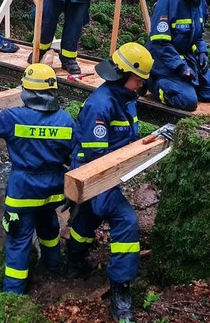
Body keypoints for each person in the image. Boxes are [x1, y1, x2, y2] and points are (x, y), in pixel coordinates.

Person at [0, 63, 76, 294]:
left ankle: (11, 296)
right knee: (49, 228)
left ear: (26, 92)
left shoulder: (13, 117)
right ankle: (53, 268)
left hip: (22, 193)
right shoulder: (66, 120)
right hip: (52, 192)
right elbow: (73, 155)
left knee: (18, 242)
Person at [67, 42, 153, 322]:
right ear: (122, 74)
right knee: (125, 220)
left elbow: (124, 139)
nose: (140, 85)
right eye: (138, 79)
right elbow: (97, 158)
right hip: (93, 171)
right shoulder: (101, 105)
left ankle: (75, 259)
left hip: (109, 168)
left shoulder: (126, 99)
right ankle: (121, 291)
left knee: (88, 217)